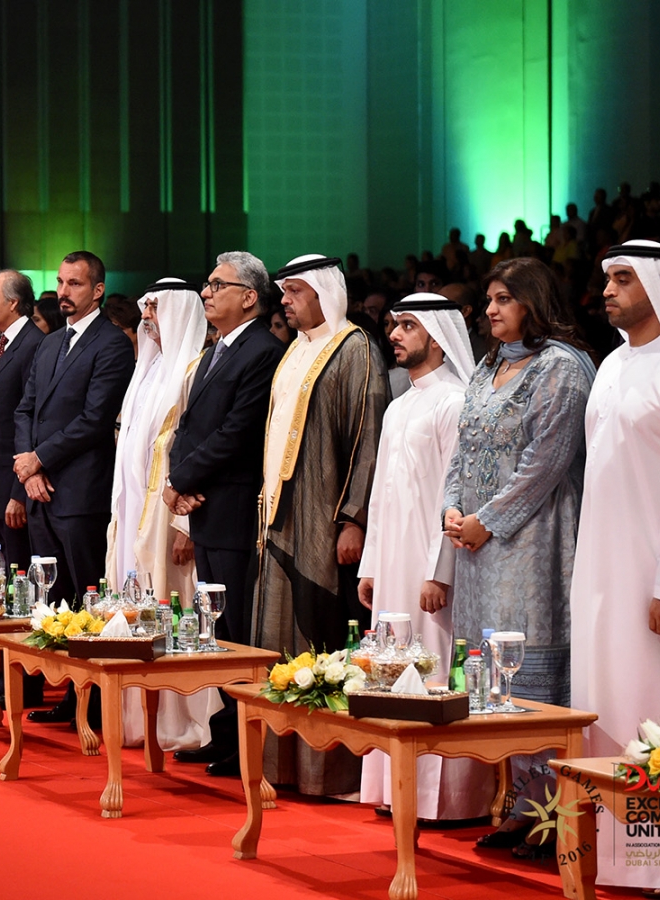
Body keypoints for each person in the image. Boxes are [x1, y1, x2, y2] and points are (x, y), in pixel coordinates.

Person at [443, 257, 594, 855]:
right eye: (488, 300)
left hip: (532, 542)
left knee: (530, 675)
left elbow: (547, 462)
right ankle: (516, 804)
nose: (490, 310)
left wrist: (489, 520)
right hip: (477, 547)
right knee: (490, 682)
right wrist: (453, 510)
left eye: (503, 299)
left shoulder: (562, 368)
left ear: (533, 301)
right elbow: (463, 447)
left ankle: (551, 812)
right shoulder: (486, 367)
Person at [568, 242, 660, 891]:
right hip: (599, 568)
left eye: (624, 279)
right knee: (605, 705)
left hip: (653, 575)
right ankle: (615, 856)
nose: (609, 290)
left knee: (653, 709)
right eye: (607, 280)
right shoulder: (613, 364)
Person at [252, 253, 388, 796]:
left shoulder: (355, 348)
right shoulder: (294, 351)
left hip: (324, 520)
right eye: (283, 291)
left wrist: (353, 518)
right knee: (278, 640)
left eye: (295, 291)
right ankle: (283, 769)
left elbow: (368, 438)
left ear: (324, 293)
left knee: (320, 635)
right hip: (280, 516)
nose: (285, 300)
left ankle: (330, 773)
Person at [357, 293, 494, 821]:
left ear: (436, 337)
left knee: (435, 671)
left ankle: (448, 801)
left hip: (429, 570)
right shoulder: (399, 405)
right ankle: (396, 788)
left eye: (407, 326)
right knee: (390, 665)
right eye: (394, 325)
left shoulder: (453, 402)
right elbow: (381, 497)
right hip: (391, 564)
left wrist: (443, 572)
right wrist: (370, 564)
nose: (395, 334)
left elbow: (455, 497)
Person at [163, 256, 286, 773]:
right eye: (206, 283)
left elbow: (236, 434)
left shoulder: (262, 350)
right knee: (212, 627)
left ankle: (244, 742)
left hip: (232, 505)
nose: (207, 293)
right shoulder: (219, 347)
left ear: (250, 297)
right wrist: (177, 481)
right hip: (205, 502)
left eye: (218, 285)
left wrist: (181, 482)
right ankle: (222, 729)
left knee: (236, 628)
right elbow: (189, 426)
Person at [15, 251, 134, 726]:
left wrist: (40, 459)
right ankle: (69, 693)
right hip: (40, 488)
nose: (63, 292)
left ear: (98, 290)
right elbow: (25, 410)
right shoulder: (50, 344)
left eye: (75, 285)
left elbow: (95, 419)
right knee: (54, 598)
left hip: (81, 491)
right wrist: (29, 469)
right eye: (61, 283)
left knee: (87, 597)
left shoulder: (112, 345)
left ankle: (98, 702)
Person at [105, 278, 219, 752]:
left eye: (156, 309)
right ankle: (137, 720)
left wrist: (185, 524)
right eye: (144, 309)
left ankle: (184, 724)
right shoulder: (146, 371)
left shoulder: (192, 370)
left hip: (167, 516)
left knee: (173, 612)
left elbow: (196, 450)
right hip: (132, 510)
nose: (147, 318)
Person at [0, 270, 43, 569]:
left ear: (14, 303)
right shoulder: (5, 344)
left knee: (18, 577)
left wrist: (19, 493)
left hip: (12, 487)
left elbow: (30, 419)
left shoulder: (34, 344)